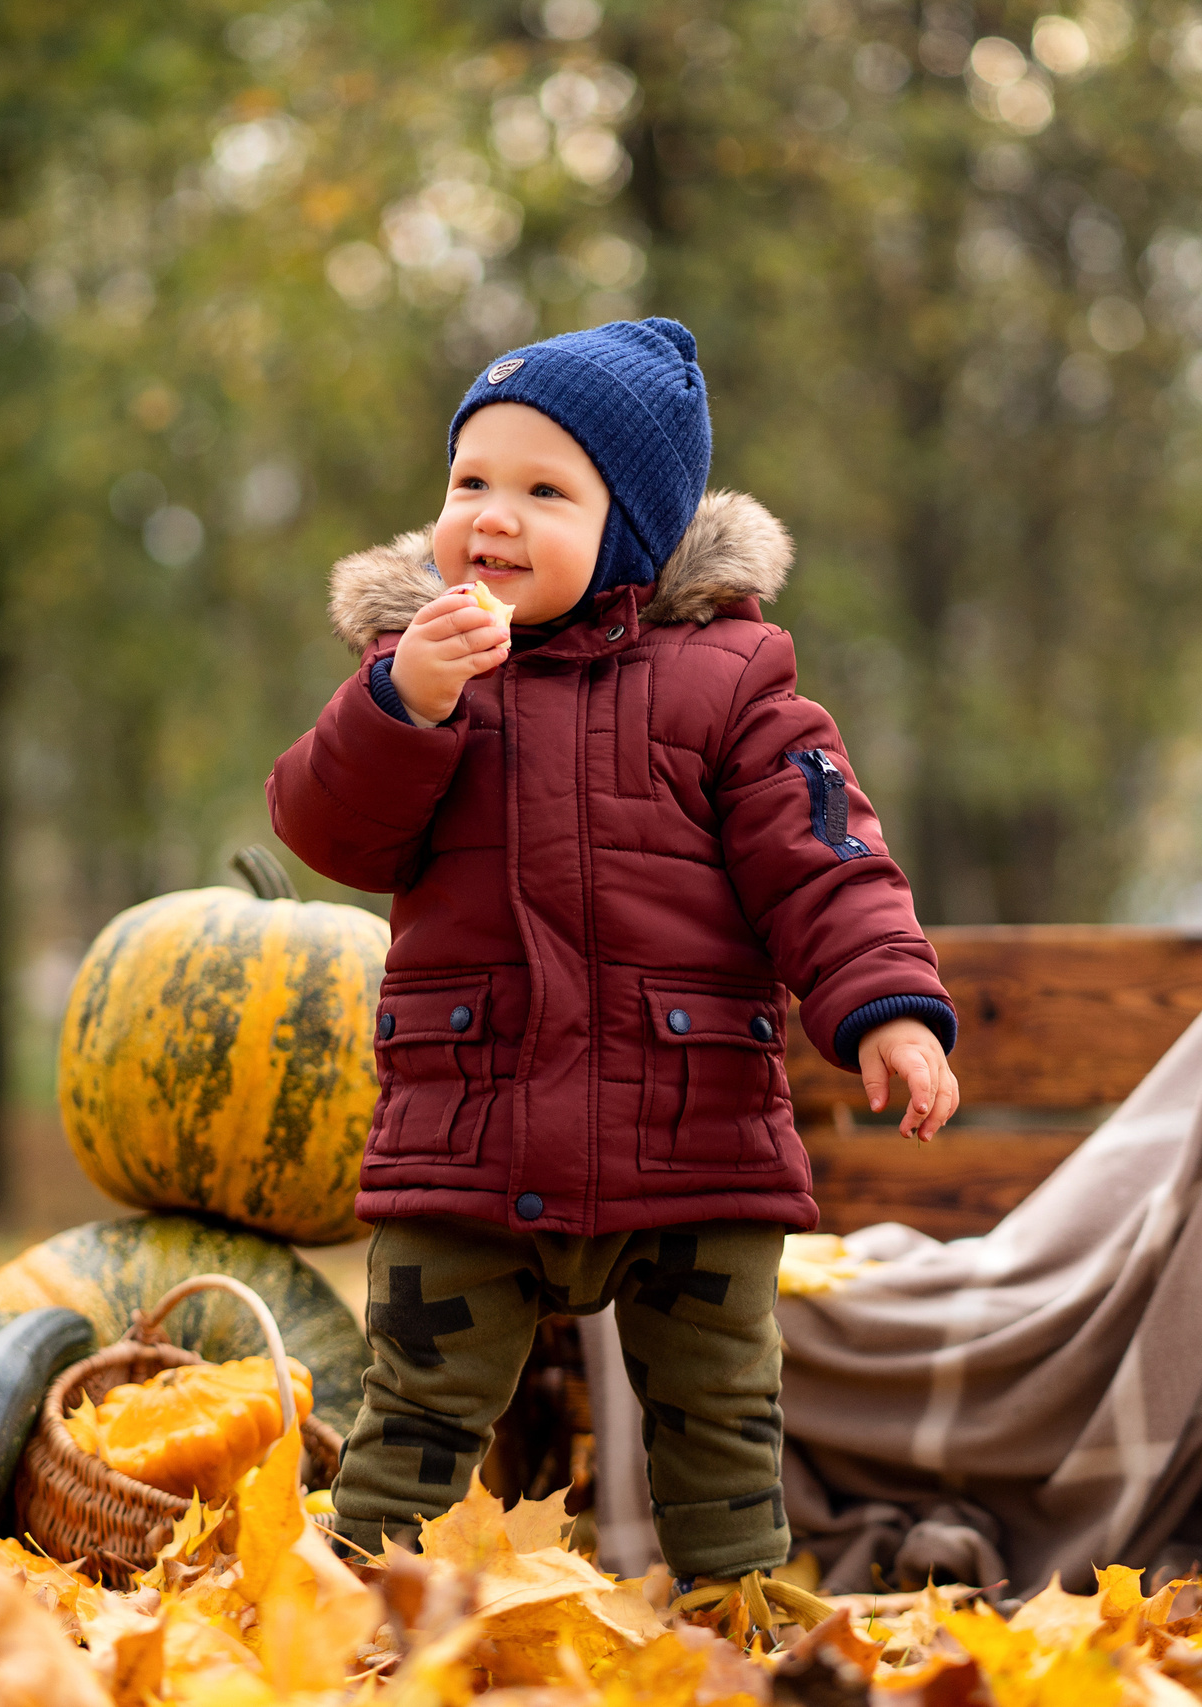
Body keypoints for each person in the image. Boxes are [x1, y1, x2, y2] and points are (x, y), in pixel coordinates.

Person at [266, 316, 959, 1591]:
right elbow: (327, 830)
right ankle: (356, 1611)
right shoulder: (417, 671)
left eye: (544, 490)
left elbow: (824, 854)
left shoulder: (735, 681)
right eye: (470, 481)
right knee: (414, 1407)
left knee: (723, 1422)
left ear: (631, 528)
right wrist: (400, 706)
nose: (491, 517)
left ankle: (738, 1619)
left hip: (693, 1137)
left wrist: (885, 1008)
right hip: (467, 1137)